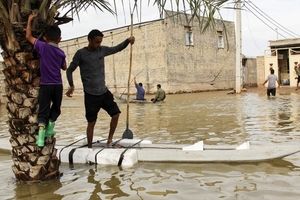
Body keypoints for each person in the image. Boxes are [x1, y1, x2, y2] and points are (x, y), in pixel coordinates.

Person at [65, 29, 135, 148]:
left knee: (116, 114)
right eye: (96, 42)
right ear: (90, 40)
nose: (98, 44)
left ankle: (109, 140)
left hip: (103, 92)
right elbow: (69, 70)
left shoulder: (102, 50)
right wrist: (71, 85)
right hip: (90, 95)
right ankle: (90, 147)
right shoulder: (80, 54)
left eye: (100, 42)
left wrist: (127, 41)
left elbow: (116, 48)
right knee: (91, 122)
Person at [26, 13, 67, 147]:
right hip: (58, 86)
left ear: (44, 38)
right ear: (60, 39)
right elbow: (65, 67)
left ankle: (41, 138)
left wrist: (30, 20)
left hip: (45, 85)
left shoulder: (42, 46)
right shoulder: (61, 53)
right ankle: (50, 127)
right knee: (56, 108)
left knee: (43, 110)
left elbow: (28, 37)